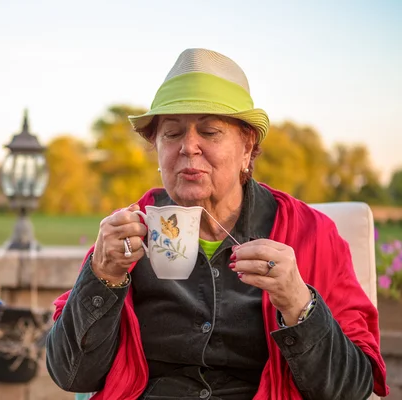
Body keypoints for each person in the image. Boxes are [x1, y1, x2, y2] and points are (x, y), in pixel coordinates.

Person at [45, 48, 389, 400]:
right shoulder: (127, 235)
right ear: (158, 150)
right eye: (172, 133)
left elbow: (352, 389)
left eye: (210, 132)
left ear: (247, 146)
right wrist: (102, 274)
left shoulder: (312, 234)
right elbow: (72, 376)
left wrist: (298, 303)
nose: (188, 147)